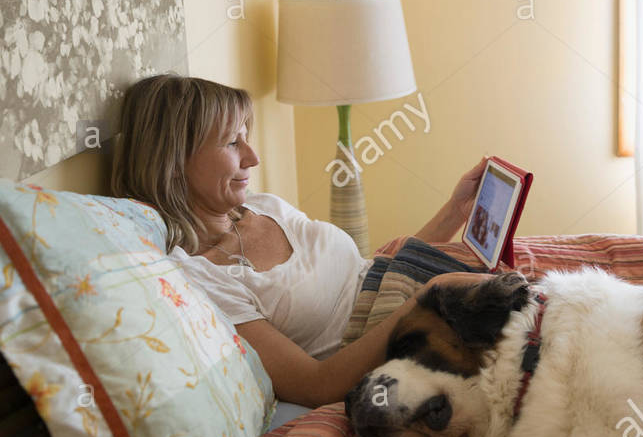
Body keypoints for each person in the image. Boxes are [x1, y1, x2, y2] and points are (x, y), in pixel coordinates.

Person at [109, 74, 491, 406]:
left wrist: (454, 212)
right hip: (406, 347)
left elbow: (374, 276)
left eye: (246, 138)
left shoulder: (264, 205)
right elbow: (316, 385)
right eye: (231, 143)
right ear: (175, 162)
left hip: (405, 300)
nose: (253, 157)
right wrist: (432, 294)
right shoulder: (199, 277)